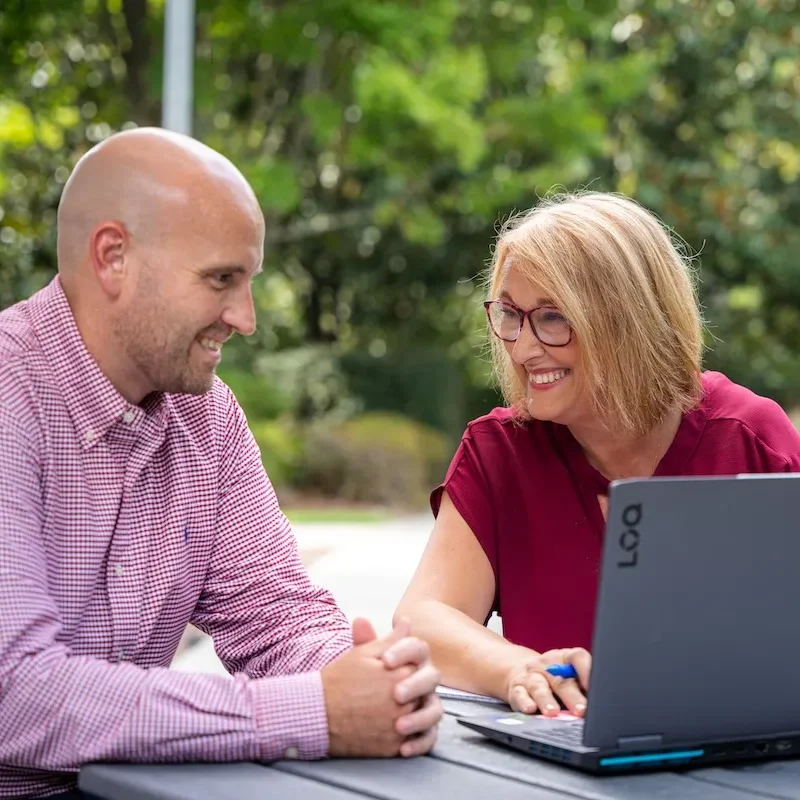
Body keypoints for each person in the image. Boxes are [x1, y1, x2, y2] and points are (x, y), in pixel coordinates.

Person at [0, 128, 441, 800]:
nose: (246, 317)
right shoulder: (11, 395)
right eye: (221, 280)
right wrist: (314, 712)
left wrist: (369, 678)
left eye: (248, 282)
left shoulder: (207, 417)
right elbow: (15, 695)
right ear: (113, 258)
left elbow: (276, 618)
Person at [395, 191, 800, 721]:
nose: (522, 347)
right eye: (511, 314)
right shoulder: (498, 452)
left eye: (552, 317)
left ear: (630, 320)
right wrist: (519, 669)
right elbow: (423, 620)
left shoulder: (750, 437)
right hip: (558, 756)